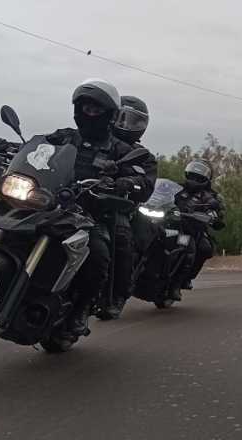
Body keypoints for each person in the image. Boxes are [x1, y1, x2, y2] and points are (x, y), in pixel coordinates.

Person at [45, 79, 157, 343]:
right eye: (85, 108)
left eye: (96, 110)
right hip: (53, 204)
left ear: (107, 114)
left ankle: (82, 309)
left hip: (91, 212)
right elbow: (38, 148)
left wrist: (127, 182)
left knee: (99, 254)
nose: (89, 114)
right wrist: (10, 147)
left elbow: (145, 180)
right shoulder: (66, 136)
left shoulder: (127, 151)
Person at [105, 95, 158, 319]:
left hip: (116, 207)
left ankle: (117, 294)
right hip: (73, 199)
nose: (126, 124)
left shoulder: (142, 156)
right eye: (121, 117)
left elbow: (147, 185)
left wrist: (130, 183)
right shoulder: (88, 136)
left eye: (134, 121)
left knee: (125, 240)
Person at [171, 159, 225, 295]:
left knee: (200, 248)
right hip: (169, 224)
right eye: (193, 174)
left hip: (190, 231)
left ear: (206, 178)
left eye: (199, 176)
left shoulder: (209, 196)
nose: (195, 178)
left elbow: (217, 211)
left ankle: (179, 282)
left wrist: (214, 214)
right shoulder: (176, 187)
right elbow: (160, 194)